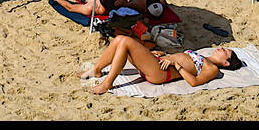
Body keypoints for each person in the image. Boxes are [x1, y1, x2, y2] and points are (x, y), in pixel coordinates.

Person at [83, 39, 241, 94]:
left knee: (125, 42)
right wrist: (164, 55)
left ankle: (107, 83)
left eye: (225, 51)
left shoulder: (213, 69)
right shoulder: (203, 56)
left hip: (160, 74)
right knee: (119, 40)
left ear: (226, 62)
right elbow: (183, 58)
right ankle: (96, 70)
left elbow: (194, 82)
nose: (222, 48)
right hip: (157, 63)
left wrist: (176, 64)